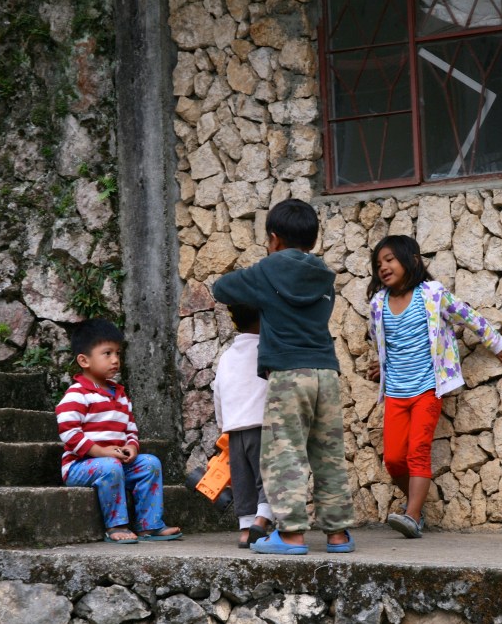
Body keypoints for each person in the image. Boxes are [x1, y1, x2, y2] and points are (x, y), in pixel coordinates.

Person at [212, 198, 355, 556]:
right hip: (326, 371)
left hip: (289, 375)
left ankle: (291, 535)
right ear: (313, 238)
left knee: (285, 454)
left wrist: (260, 282)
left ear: (274, 239)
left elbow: (222, 289)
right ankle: (338, 535)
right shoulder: (324, 276)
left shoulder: (267, 271)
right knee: (328, 454)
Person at [366, 235, 502, 538]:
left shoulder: (432, 294)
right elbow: (381, 341)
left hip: (428, 388)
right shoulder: (378, 304)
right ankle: (416, 506)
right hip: (395, 393)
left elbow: (469, 317)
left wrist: (499, 344)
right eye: (378, 264)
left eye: (389, 259)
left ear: (412, 260)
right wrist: (382, 366)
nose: (383, 267)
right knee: (394, 459)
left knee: (417, 451)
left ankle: (412, 516)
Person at [56, 318, 181, 544]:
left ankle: (149, 525)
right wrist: (103, 452)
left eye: (118, 353)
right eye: (107, 353)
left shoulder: (120, 394)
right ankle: (116, 525)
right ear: (84, 360)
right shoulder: (77, 393)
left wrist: (131, 447)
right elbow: (68, 432)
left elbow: (131, 429)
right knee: (110, 466)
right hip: (80, 466)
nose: (115, 360)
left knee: (150, 463)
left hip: (115, 463)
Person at [212, 303, 275, 548]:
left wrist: (222, 423)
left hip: (234, 428)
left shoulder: (227, 356)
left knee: (242, 480)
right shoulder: (266, 349)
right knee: (266, 477)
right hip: (261, 424)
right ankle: (262, 519)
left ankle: (246, 530)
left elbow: (218, 391)